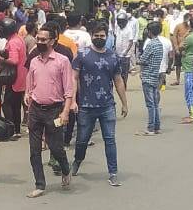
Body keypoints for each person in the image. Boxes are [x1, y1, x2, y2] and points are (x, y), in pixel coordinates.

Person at [71, 20, 127, 187]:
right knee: (82, 140)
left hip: (107, 106)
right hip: (86, 106)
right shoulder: (82, 55)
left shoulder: (112, 56)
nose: (99, 38)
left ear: (107, 37)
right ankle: (77, 161)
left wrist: (124, 103)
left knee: (110, 139)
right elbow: (73, 78)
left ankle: (113, 173)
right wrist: (73, 100)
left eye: (102, 36)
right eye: (96, 36)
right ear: (91, 36)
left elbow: (118, 80)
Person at [23, 24, 74, 198]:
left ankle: (66, 169)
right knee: (34, 150)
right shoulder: (34, 61)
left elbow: (68, 90)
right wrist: (27, 95)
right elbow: (30, 83)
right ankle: (40, 184)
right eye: (38, 39)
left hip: (54, 111)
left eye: (43, 40)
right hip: (36, 110)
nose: (39, 42)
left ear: (53, 41)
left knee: (56, 147)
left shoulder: (62, 61)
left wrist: (65, 111)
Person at [136, 21, 164, 136]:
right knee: (155, 103)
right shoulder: (159, 44)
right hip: (155, 75)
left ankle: (151, 128)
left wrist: (138, 60)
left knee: (150, 104)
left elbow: (142, 60)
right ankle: (156, 126)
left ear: (150, 31)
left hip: (148, 76)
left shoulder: (151, 44)